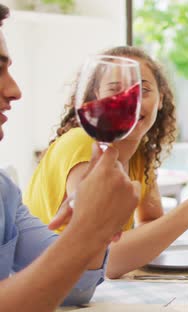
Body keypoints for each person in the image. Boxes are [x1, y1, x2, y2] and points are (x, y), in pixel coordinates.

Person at [23, 46, 188, 278]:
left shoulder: (139, 154)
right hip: (51, 289)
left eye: (143, 90)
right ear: (97, 97)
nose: (131, 101)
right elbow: (106, 260)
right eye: (116, 90)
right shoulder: (85, 144)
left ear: (160, 100)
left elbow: (149, 222)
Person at [0, 4, 140, 310]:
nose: (15, 90)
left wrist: (91, 226)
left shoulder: (3, 191)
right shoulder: (78, 142)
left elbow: (76, 288)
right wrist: (89, 227)